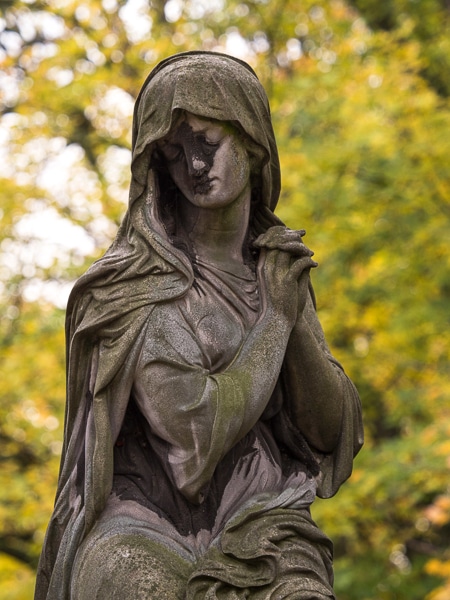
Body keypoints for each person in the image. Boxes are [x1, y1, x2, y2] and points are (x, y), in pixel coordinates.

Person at [35, 51, 363, 600]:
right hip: (141, 530)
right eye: (172, 152)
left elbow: (330, 435)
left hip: (264, 527)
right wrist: (276, 322)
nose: (192, 166)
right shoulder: (134, 289)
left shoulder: (277, 271)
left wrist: (293, 317)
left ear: (253, 141)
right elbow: (194, 448)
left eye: (205, 143)